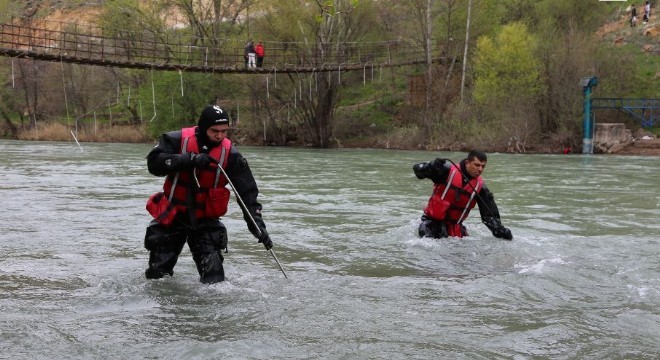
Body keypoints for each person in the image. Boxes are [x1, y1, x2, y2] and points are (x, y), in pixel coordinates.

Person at [143, 105, 273, 283]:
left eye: (224, 131)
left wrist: (258, 227)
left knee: (215, 281)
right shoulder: (175, 140)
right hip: (173, 215)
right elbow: (153, 164)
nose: (219, 136)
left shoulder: (232, 156)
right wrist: (188, 159)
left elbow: (247, 194)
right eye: (214, 131)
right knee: (158, 277)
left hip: (206, 221)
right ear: (203, 127)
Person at [413, 150, 513, 240]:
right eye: (477, 165)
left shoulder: (481, 188)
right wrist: (431, 166)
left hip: (455, 228)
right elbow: (417, 170)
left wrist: (501, 231)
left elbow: (489, 217)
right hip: (431, 223)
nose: (480, 169)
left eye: (483, 166)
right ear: (467, 163)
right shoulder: (445, 170)